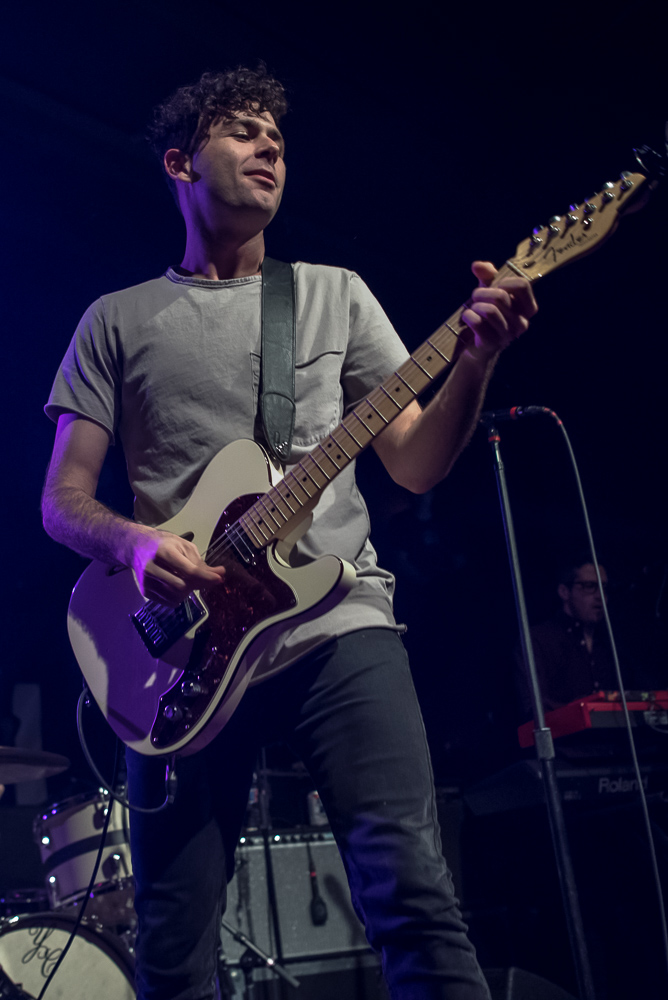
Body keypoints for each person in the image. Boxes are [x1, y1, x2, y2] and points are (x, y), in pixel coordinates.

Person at [42, 66, 538, 1000]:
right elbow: (62, 499)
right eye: (242, 131)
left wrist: (475, 363)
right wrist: (136, 545)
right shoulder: (115, 320)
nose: (271, 146)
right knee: (172, 941)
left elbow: (415, 464)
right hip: (179, 666)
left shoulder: (334, 295)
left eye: (277, 134)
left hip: (335, 622)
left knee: (416, 900)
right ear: (181, 162)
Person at [516, 556, 615, 717]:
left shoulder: (611, 640)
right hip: (566, 741)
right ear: (564, 591)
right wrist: (580, 710)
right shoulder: (538, 639)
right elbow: (532, 705)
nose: (600, 596)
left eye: (604, 587)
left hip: (616, 740)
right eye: (589, 586)